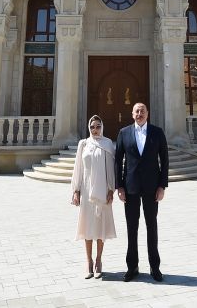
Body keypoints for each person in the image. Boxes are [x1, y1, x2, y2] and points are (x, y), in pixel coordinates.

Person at [114, 102, 169, 282]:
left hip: (152, 188)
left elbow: (165, 160)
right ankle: (132, 266)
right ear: (132, 114)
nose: (140, 114)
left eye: (142, 111)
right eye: (137, 111)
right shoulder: (124, 133)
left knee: (151, 226)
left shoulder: (157, 132)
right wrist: (119, 186)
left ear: (148, 114)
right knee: (132, 228)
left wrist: (162, 186)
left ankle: (155, 267)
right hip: (130, 188)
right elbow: (118, 161)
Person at [71, 115, 117, 279]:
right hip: (86, 191)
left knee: (100, 228)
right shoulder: (83, 144)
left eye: (98, 126)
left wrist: (111, 189)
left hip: (103, 191)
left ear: (102, 127)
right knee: (88, 227)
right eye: (92, 127)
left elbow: (111, 169)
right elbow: (78, 168)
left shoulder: (107, 144)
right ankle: (88, 261)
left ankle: (99, 260)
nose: (95, 129)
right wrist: (76, 190)